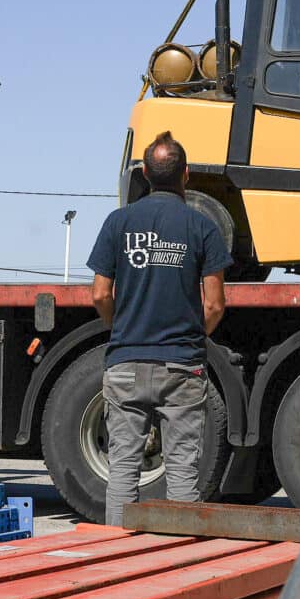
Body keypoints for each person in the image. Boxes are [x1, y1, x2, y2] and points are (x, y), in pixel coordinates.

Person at [86, 131, 231, 526]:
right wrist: (192, 338)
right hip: (182, 366)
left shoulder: (119, 222)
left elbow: (100, 294)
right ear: (186, 175)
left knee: (123, 472)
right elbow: (215, 303)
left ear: (145, 174)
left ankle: (117, 561)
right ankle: (174, 565)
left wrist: (123, 330)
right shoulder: (202, 228)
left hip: (126, 364)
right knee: (183, 476)